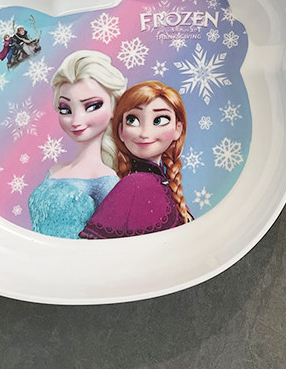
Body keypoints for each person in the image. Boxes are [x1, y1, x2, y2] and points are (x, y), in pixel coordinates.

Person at [28, 50, 127, 238]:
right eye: (65, 109)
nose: (76, 120)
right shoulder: (54, 170)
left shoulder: (105, 181)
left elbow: (112, 242)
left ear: (114, 107)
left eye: (92, 106)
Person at [79, 80, 192, 239]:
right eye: (132, 120)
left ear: (177, 129)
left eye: (159, 120)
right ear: (121, 131)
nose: (144, 133)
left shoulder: (164, 184)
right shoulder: (134, 185)